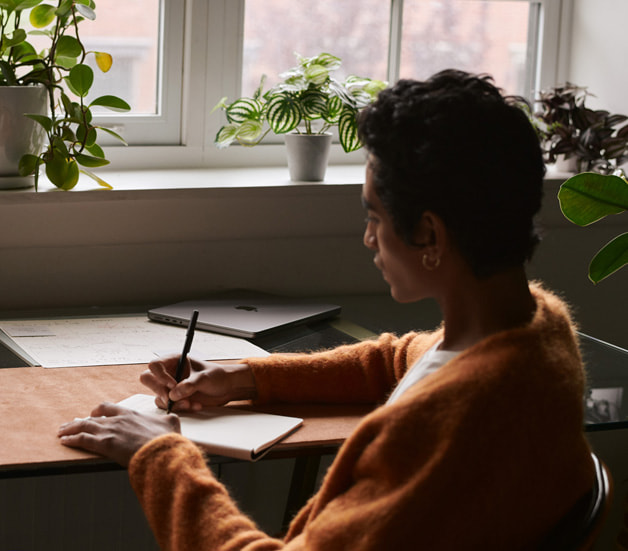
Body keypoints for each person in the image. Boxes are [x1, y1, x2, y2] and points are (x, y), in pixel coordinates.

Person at [57, 70, 595, 549]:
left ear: (429, 233)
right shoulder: (533, 330)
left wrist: (161, 457)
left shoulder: (447, 429)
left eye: (374, 217)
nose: (367, 239)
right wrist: (241, 377)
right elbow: (398, 361)